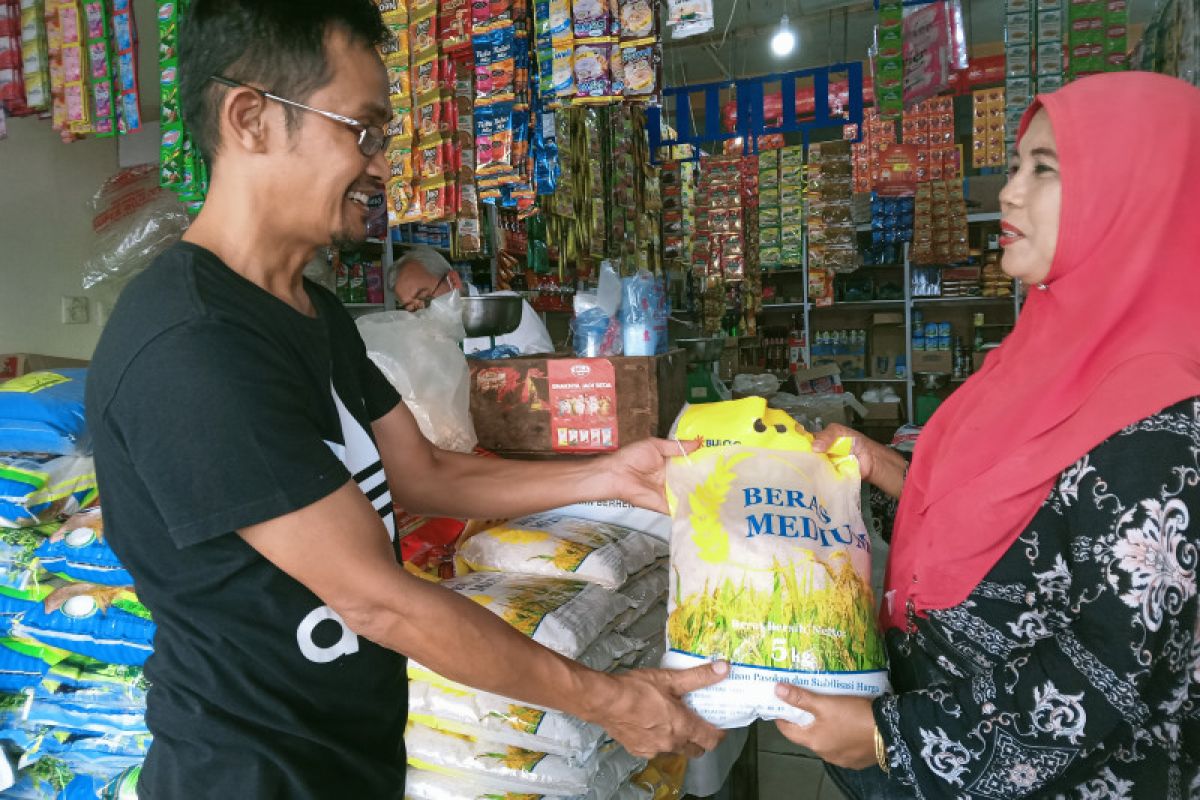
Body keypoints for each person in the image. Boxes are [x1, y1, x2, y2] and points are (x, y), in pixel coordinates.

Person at [84, 2, 725, 798]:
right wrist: (608, 701)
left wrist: (609, 474)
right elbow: (378, 601)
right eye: (363, 130)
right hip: (251, 776)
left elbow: (422, 472)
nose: (382, 164)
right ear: (250, 118)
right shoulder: (192, 347)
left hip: (348, 757)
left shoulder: (308, 314)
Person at [772, 72, 1200, 799]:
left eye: (1046, 171)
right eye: (1015, 166)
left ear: (1139, 195)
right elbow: (1028, 522)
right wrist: (887, 467)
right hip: (918, 724)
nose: (1007, 194)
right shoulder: (1040, 353)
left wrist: (889, 737)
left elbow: (1110, 672)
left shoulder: (1162, 428)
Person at [390, 245, 555, 355]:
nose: (423, 312)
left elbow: (543, 370)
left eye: (425, 298)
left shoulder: (507, 309)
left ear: (453, 281)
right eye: (412, 308)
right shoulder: (418, 333)